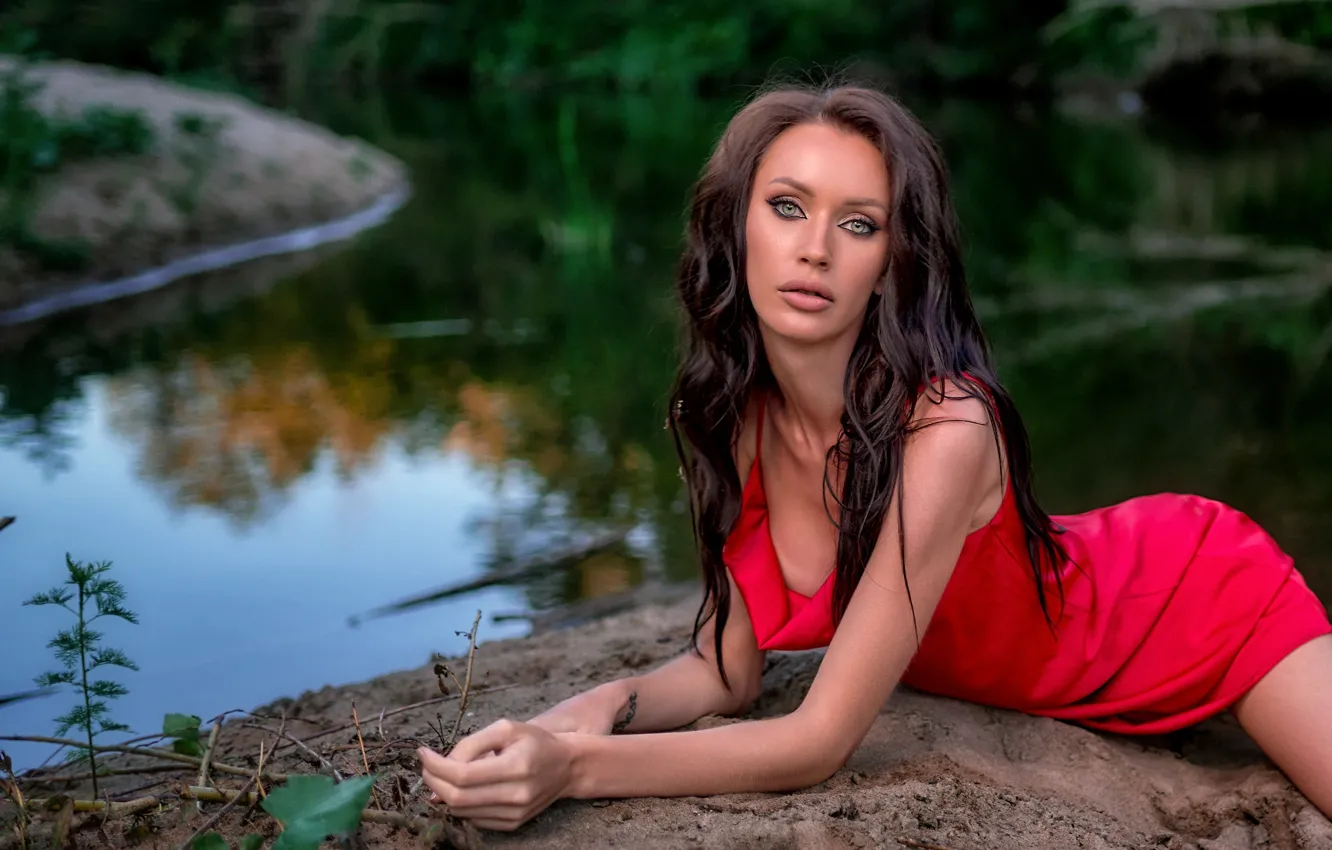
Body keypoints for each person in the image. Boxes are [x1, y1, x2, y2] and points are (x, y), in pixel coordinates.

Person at [417, 82, 1332, 832]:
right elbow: (727, 672)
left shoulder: (948, 428)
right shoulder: (735, 415)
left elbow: (816, 742)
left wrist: (576, 768)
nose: (814, 250)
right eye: (786, 208)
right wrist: (592, 708)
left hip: (1192, 603)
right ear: (737, 225)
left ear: (895, 260)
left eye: (858, 224)